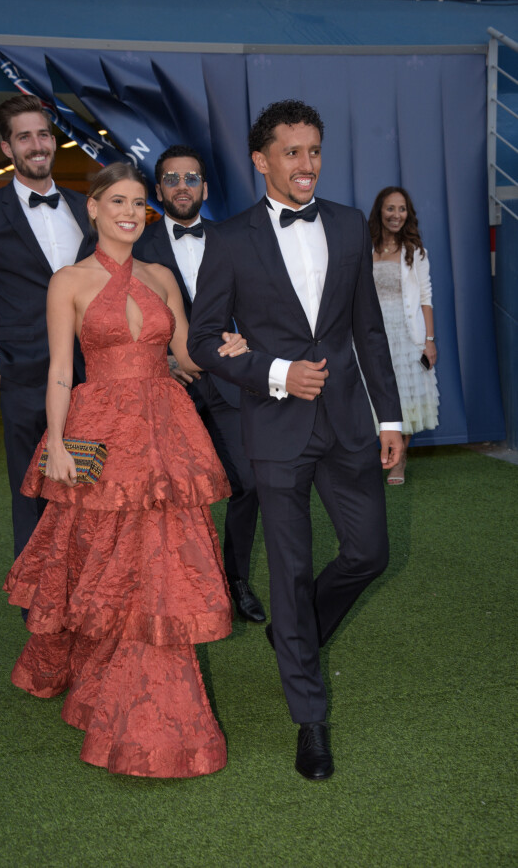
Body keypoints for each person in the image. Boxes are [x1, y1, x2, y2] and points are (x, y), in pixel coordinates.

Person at [3, 162, 249, 778]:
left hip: (164, 431)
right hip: (100, 433)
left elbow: (187, 354)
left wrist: (238, 348)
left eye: (140, 202)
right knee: (96, 554)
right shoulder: (70, 281)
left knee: (155, 562)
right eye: (118, 200)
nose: (131, 212)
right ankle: (90, 670)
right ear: (93, 208)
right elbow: (63, 369)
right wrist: (56, 441)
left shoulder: (162, 276)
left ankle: (145, 702)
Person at [188, 100, 403, 781]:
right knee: (290, 569)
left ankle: (296, 632)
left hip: (347, 424)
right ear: (262, 159)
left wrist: (391, 419)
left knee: (369, 551)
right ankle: (310, 720)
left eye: (313, 151)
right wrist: (276, 371)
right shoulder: (227, 239)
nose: (306, 164)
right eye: (292, 152)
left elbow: (367, 329)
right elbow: (200, 341)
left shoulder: (344, 224)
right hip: (276, 428)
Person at [0, 94, 94, 563]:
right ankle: (39, 604)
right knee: (32, 490)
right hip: (25, 375)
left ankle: (90, 589)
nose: (37, 144)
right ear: (7, 148)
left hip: (93, 373)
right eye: (24, 136)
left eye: (43, 134)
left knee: (91, 485)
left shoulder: (85, 206)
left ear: (53, 141)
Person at [134, 145, 265, 624]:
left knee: (246, 483)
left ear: (205, 189)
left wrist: (246, 336)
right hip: (165, 386)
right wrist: (160, 358)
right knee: (166, 494)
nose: (182, 186)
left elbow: (260, 303)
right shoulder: (136, 246)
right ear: (158, 190)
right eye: (172, 178)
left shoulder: (234, 239)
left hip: (228, 383)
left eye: (191, 178)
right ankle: (169, 590)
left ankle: (234, 582)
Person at [368, 187, 439, 484]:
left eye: (402, 209)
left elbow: (425, 298)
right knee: (374, 396)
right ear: (380, 212)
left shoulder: (416, 252)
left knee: (404, 399)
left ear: (408, 214)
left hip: (407, 336)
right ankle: (378, 456)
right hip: (372, 335)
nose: (396, 215)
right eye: (390, 208)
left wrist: (429, 341)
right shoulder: (366, 248)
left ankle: (400, 460)